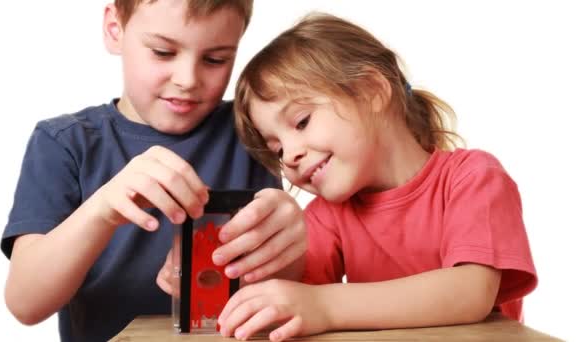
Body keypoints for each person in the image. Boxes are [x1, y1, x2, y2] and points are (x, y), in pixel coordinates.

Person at [217, 13, 538, 342]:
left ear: (372, 90)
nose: (290, 156)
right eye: (277, 150)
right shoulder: (328, 215)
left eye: (301, 122)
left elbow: (470, 293)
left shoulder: (473, 178)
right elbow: (291, 295)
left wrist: (323, 306)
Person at [0, 1, 307, 341]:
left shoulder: (253, 129)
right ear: (115, 29)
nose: (188, 80)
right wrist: (103, 209)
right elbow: (25, 303)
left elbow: (283, 288)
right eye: (163, 52)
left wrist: (293, 235)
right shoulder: (64, 143)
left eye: (215, 59)